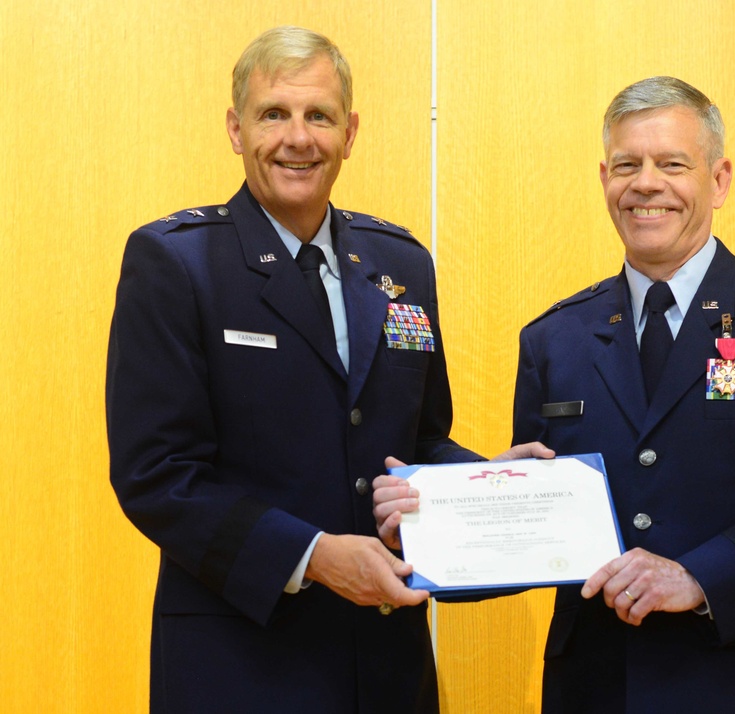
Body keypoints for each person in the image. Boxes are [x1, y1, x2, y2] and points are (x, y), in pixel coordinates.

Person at [374, 76, 735, 713]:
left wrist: (698, 577)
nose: (646, 184)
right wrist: (436, 519)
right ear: (605, 179)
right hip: (594, 686)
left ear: (719, 180)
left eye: (673, 164)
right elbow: (540, 538)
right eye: (627, 165)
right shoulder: (554, 339)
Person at [106, 25, 545, 714]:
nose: (298, 138)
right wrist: (312, 556)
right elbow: (158, 477)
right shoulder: (178, 264)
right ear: (235, 127)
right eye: (273, 114)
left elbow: (419, 443)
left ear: (351, 131)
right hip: (241, 668)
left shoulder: (400, 264)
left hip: (387, 669)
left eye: (320, 116)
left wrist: (493, 488)